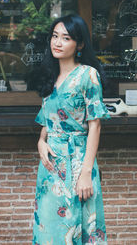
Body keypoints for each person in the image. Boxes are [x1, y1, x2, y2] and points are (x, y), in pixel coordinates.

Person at [32, 14, 110, 245]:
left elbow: (95, 125)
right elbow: (47, 119)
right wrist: (41, 141)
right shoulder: (50, 76)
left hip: (78, 161)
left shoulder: (88, 75)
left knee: (81, 226)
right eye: (55, 36)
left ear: (80, 44)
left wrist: (85, 173)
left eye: (66, 38)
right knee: (47, 228)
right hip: (50, 166)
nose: (57, 42)